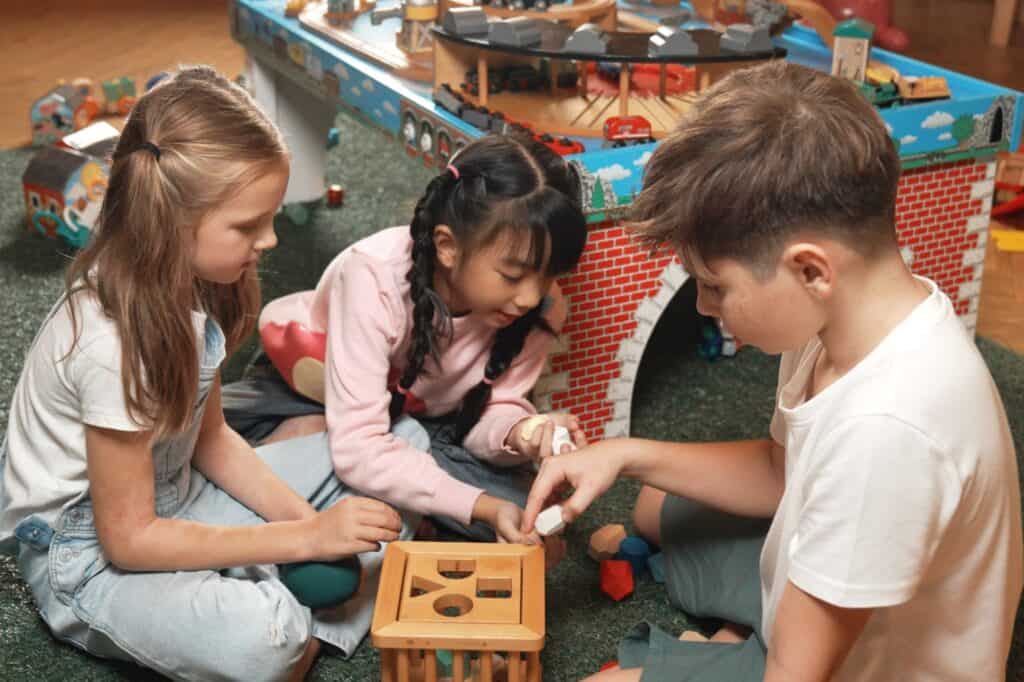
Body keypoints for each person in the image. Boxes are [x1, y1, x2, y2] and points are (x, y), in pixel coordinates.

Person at [521, 60, 1023, 682]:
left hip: (844, 665)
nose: (703, 307)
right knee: (656, 502)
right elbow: (781, 472)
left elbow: (794, 674)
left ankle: (742, 639)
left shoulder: (886, 432)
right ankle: (750, 627)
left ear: (811, 270)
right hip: (830, 587)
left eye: (713, 286)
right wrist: (622, 453)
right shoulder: (841, 316)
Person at [0, 66, 416, 682]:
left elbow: (213, 440)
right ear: (169, 220)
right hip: (88, 551)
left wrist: (310, 526)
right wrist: (303, 541)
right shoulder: (112, 343)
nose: (269, 240)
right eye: (248, 226)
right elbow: (130, 540)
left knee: (407, 448)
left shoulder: (191, 285)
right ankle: (286, 620)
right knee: (263, 643)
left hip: (177, 486)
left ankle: (273, 595)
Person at [224, 134, 589, 543]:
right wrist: (480, 505)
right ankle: (303, 439)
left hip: (426, 418)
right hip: (316, 388)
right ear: (447, 247)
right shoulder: (372, 277)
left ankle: (396, 489)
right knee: (306, 462)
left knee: (529, 526)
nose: (529, 297)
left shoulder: (540, 307)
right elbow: (360, 446)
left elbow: (485, 416)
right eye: (513, 275)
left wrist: (522, 432)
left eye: (549, 276)